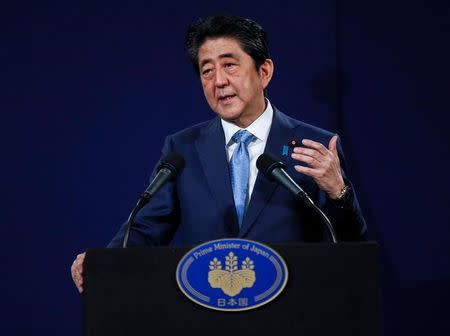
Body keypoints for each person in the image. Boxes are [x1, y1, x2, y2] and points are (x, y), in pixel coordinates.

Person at [71, 14, 367, 293]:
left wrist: (338, 193)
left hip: (293, 310)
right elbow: (145, 228)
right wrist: (103, 263)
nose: (219, 81)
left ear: (264, 72)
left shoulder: (314, 144)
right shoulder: (182, 149)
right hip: (208, 311)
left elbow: (351, 246)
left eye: (230, 65)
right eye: (207, 70)